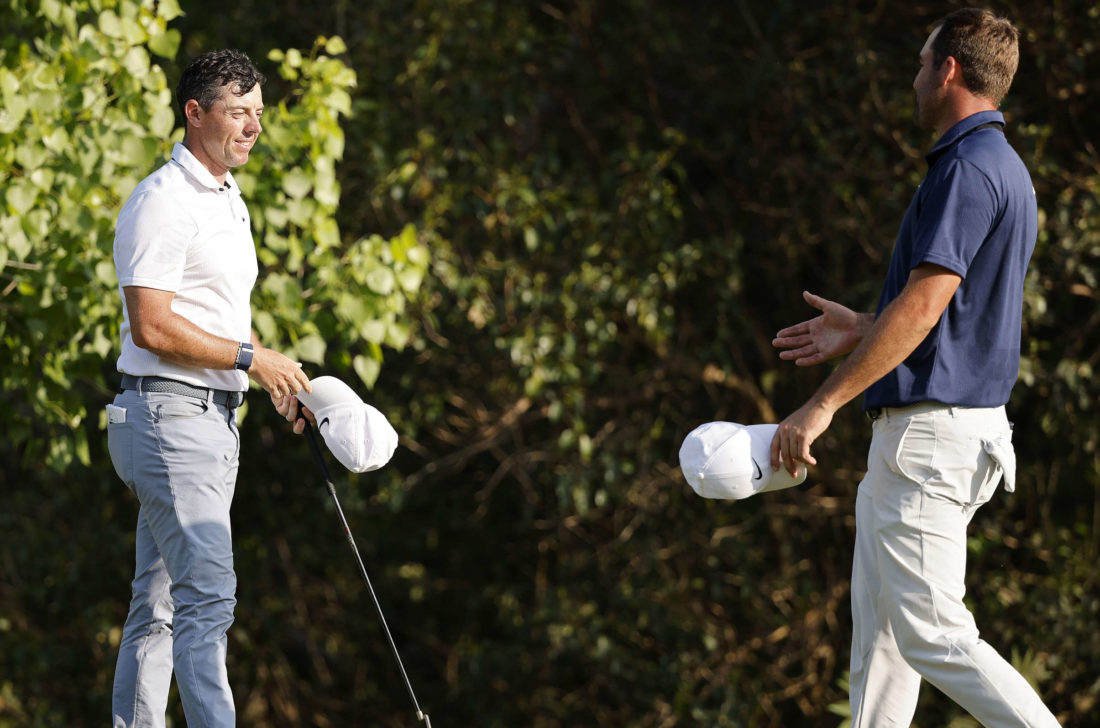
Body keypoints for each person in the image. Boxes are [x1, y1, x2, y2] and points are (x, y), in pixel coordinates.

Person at [770, 9, 1061, 727]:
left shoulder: (966, 167)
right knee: (884, 649)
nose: (914, 76)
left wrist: (823, 405)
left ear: (950, 70)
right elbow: (952, 322)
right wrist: (865, 329)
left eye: (922, 61)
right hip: (945, 435)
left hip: (927, 441)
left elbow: (926, 307)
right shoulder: (1005, 169)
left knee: (933, 635)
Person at [106, 49, 311, 728]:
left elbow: (212, 317)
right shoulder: (163, 201)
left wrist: (263, 378)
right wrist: (253, 359)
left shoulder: (225, 196)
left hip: (202, 419)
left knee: (161, 604)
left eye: (257, 113)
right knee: (208, 601)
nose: (252, 127)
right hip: (170, 418)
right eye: (236, 112)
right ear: (195, 113)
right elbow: (153, 325)